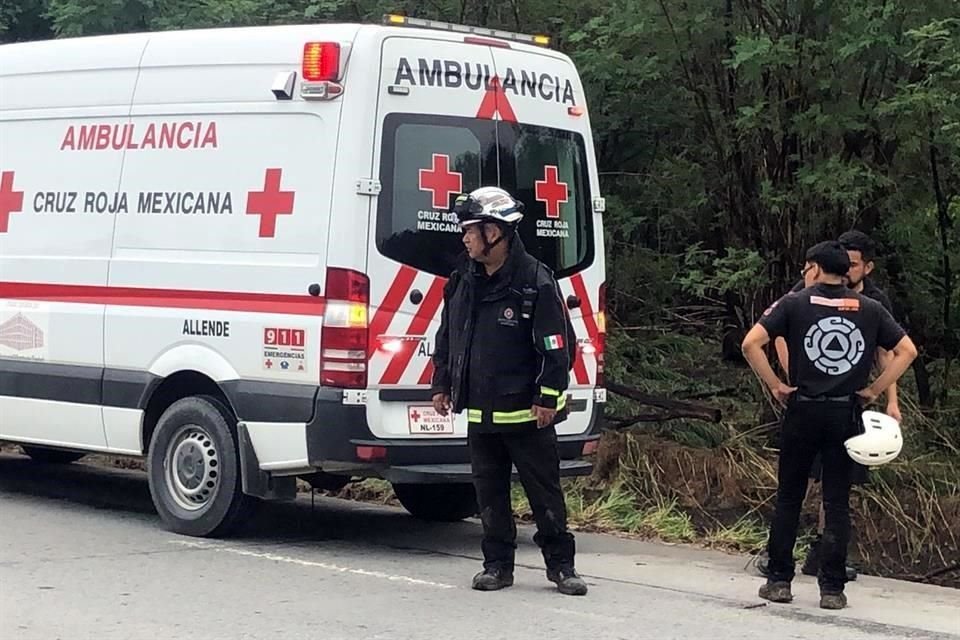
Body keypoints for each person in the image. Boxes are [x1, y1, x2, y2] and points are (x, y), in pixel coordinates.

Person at [741, 241, 917, 610]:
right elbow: (907, 351)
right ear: (846, 271)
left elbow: (751, 344)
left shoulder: (794, 303)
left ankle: (778, 581)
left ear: (816, 269)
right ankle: (832, 590)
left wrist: (775, 384)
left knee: (789, 496)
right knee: (837, 501)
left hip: (802, 409)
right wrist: (874, 390)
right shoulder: (870, 309)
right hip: (845, 413)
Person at [430, 186, 588, 596]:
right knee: (489, 495)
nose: (464, 238)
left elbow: (557, 346)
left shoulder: (534, 281)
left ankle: (562, 567)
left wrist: (548, 398)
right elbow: (448, 335)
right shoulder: (463, 280)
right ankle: (496, 566)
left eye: (471, 230)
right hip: (481, 414)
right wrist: (442, 383)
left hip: (527, 416)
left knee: (545, 493)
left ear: (496, 233)